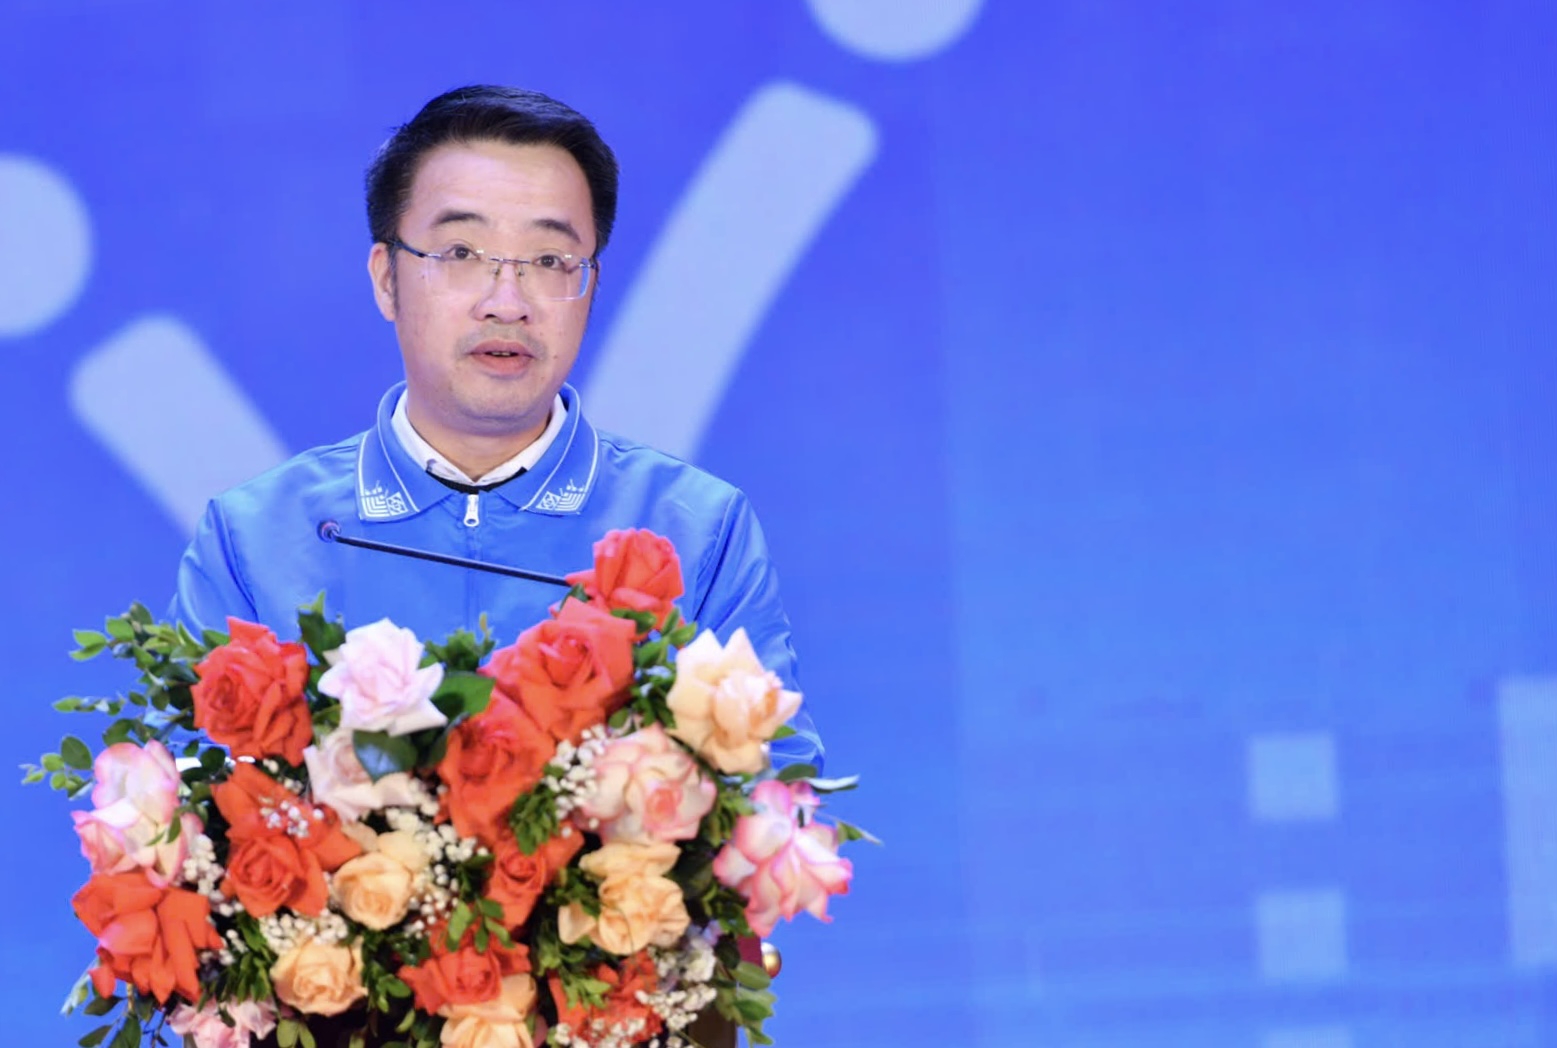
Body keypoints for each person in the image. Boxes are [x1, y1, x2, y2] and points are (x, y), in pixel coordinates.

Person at [170, 85, 821, 768]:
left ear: (592, 285)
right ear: (386, 279)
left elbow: (773, 792)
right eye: (461, 253)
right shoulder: (254, 537)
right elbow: (186, 798)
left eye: (549, 261)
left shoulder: (695, 530)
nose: (506, 303)